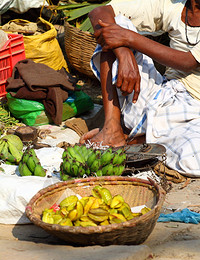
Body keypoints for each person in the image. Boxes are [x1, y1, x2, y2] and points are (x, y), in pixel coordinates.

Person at [79, 0, 200, 177]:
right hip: (163, 92)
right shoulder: (174, 6)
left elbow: (187, 62)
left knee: (195, 159)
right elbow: (100, 11)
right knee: (117, 23)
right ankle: (112, 127)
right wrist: (124, 52)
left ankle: (131, 140)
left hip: (194, 110)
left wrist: (128, 38)